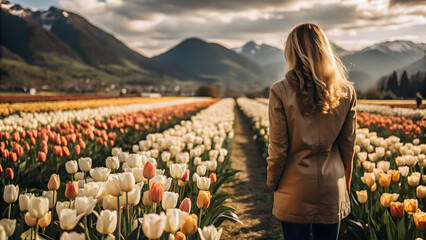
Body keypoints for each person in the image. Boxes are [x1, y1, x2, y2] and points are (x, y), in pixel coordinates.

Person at [267, 23, 356, 240]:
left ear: (292, 52)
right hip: (331, 188)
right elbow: (348, 148)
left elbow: (278, 150)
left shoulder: (280, 91)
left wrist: (272, 182)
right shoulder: (346, 92)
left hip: (293, 187)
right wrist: (346, 185)